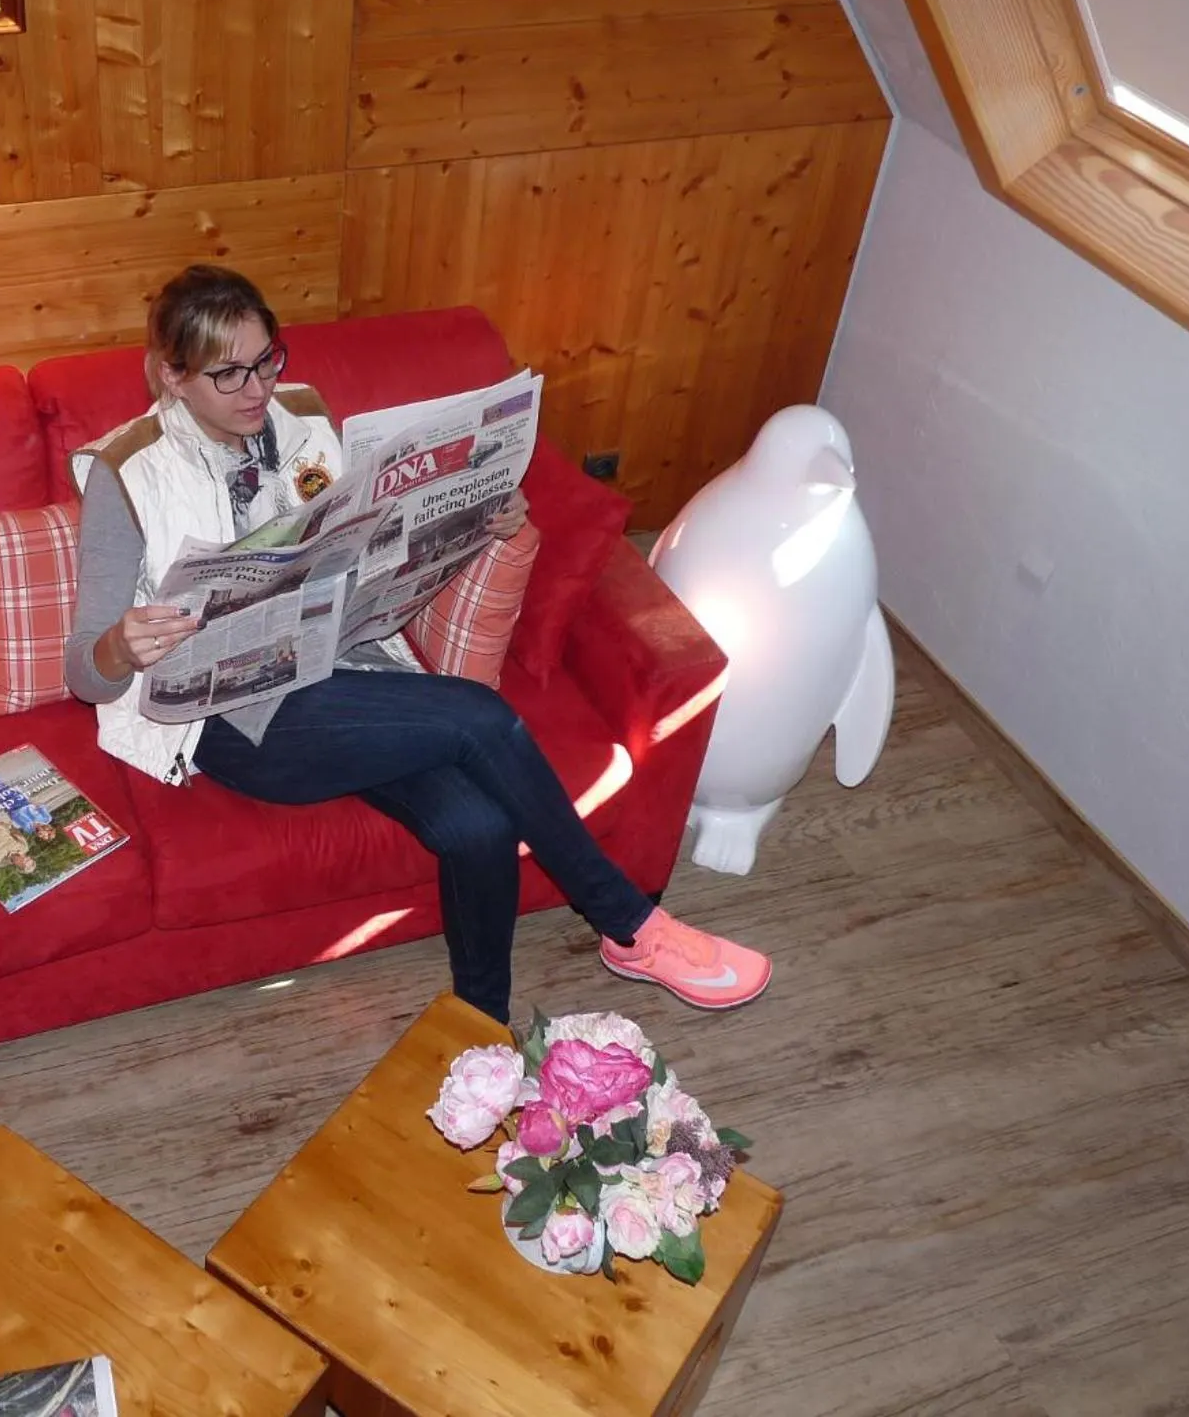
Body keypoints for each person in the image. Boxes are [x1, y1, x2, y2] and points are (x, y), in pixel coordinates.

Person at [62, 264, 771, 1026]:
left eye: (268, 360)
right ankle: (628, 925)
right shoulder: (127, 473)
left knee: (479, 824)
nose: (256, 390)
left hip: (340, 666)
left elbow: (373, 554)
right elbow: (84, 675)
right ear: (171, 376)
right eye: (227, 373)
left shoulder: (301, 420)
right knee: (478, 718)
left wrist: (475, 524)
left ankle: (481, 1029)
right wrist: (122, 648)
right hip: (236, 721)